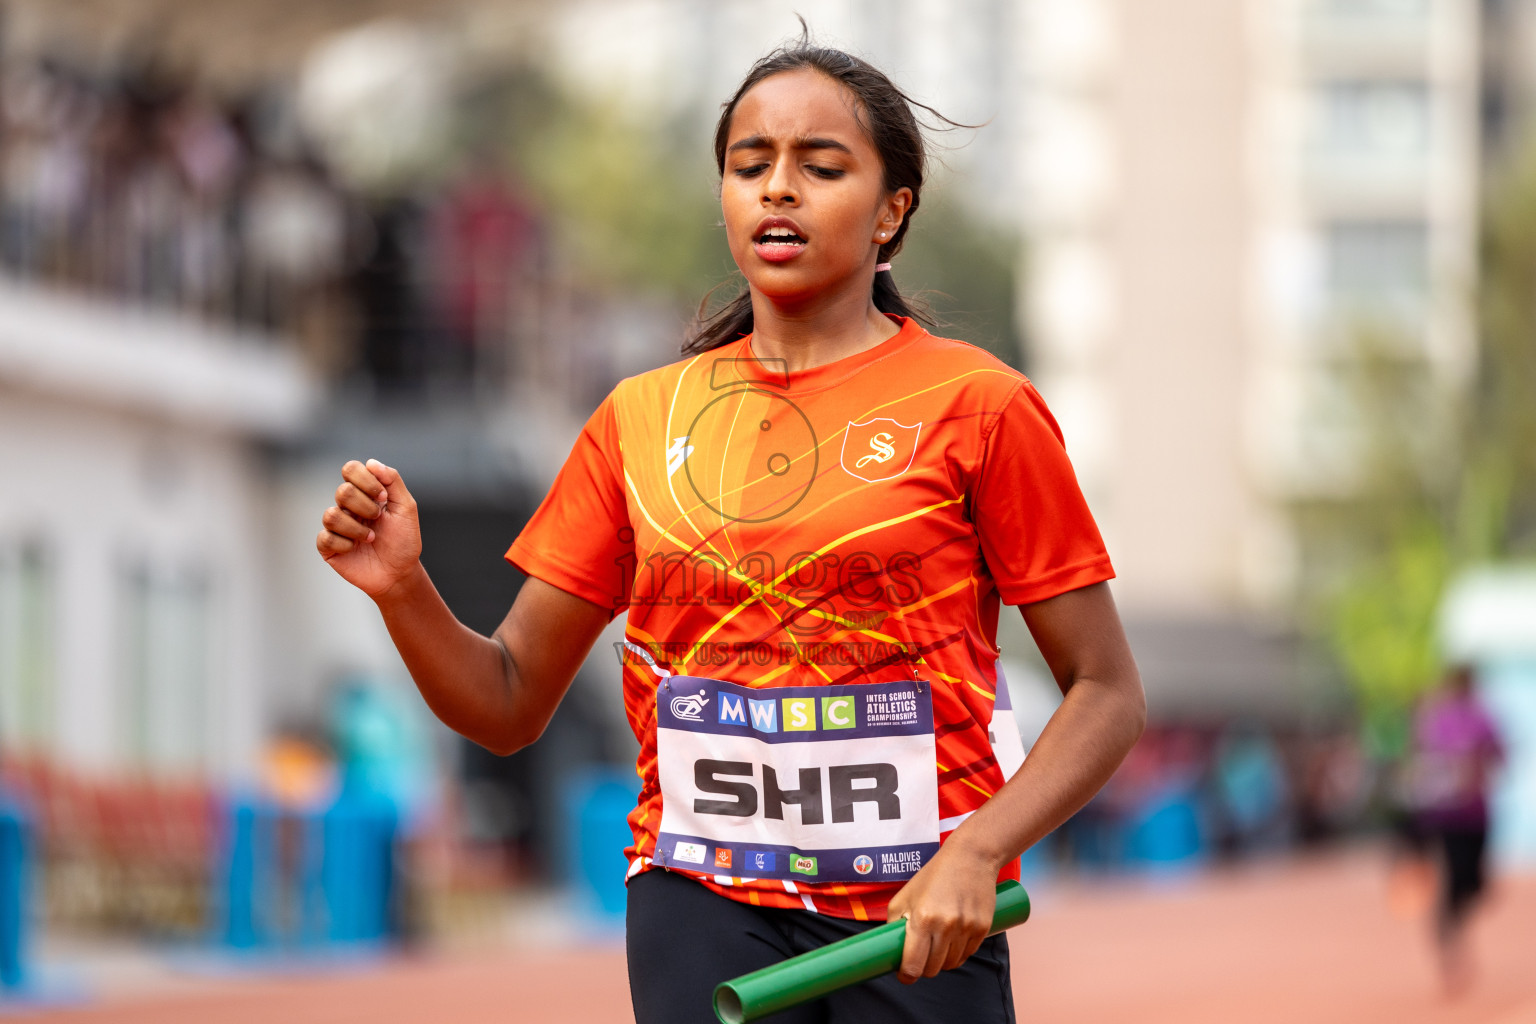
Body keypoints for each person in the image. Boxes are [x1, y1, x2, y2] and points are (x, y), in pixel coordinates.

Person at [316, 37, 1146, 1024]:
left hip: (916, 917)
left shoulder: (979, 406)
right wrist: (404, 588)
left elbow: (1107, 692)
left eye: (820, 166)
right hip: (699, 901)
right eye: (750, 165)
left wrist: (974, 850)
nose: (778, 190)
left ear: (893, 210)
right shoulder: (639, 420)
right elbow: (505, 701)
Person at [1405, 665, 1504, 994]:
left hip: (1477, 812)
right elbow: (1423, 760)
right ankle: (1449, 941)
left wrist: (1479, 768)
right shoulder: (1437, 721)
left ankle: (1453, 921)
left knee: (1475, 885)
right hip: (1447, 814)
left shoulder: (1482, 718)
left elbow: (1500, 755)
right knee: (1455, 877)